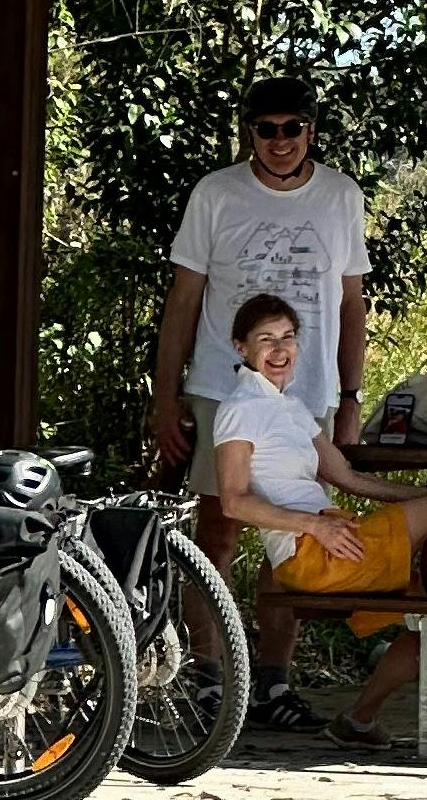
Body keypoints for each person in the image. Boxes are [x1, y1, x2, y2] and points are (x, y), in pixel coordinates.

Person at [214, 293, 427, 739]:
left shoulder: (290, 408)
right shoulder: (239, 410)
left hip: (333, 534)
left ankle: (359, 718)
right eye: (266, 339)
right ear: (241, 348)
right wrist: (314, 524)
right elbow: (233, 501)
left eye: (288, 338)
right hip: (310, 551)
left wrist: (423, 493)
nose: (279, 350)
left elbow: (348, 478)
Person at [149, 78, 370, 561]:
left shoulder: (341, 196)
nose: (281, 141)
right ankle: (210, 641)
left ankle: (271, 643)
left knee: (304, 540)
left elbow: (351, 303)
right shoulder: (215, 193)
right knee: (216, 532)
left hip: (309, 391)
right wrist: (165, 397)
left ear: (311, 132)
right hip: (222, 388)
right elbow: (184, 300)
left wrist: (351, 396)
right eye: (267, 129)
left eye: (293, 127)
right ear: (250, 133)